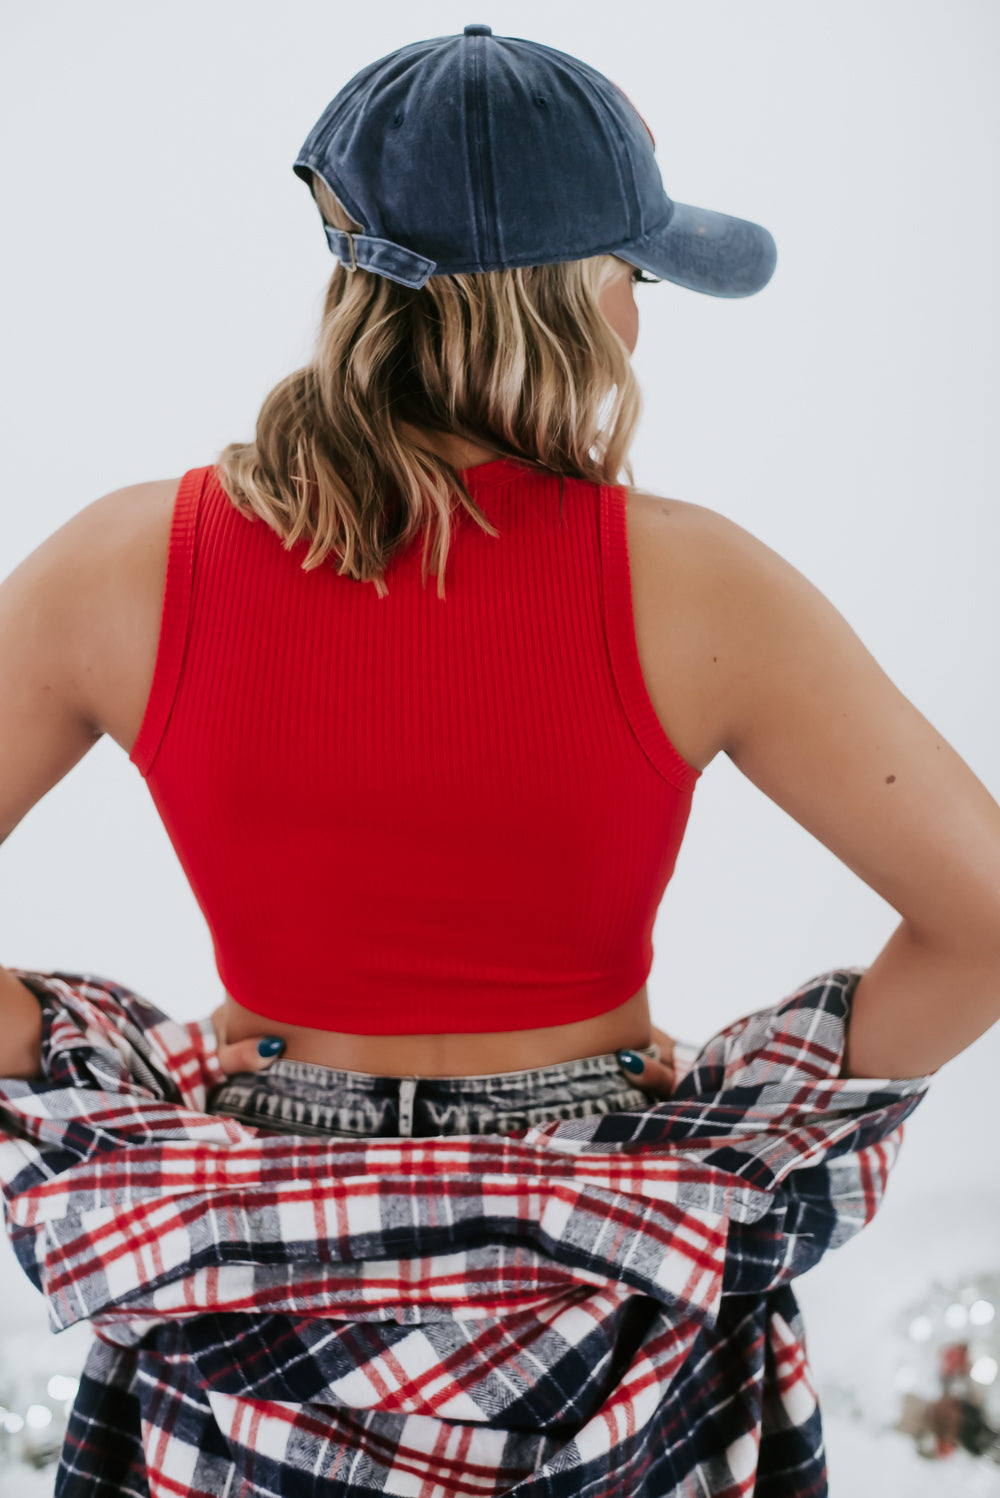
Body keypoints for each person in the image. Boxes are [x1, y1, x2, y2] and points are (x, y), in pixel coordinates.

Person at [2, 25, 998, 1496]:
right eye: (637, 274)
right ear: (581, 299)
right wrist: (739, 1110)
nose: (640, 315)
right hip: (613, 1307)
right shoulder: (701, 588)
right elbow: (987, 915)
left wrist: (69, 1058)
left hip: (240, 1299)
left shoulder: (122, 566)